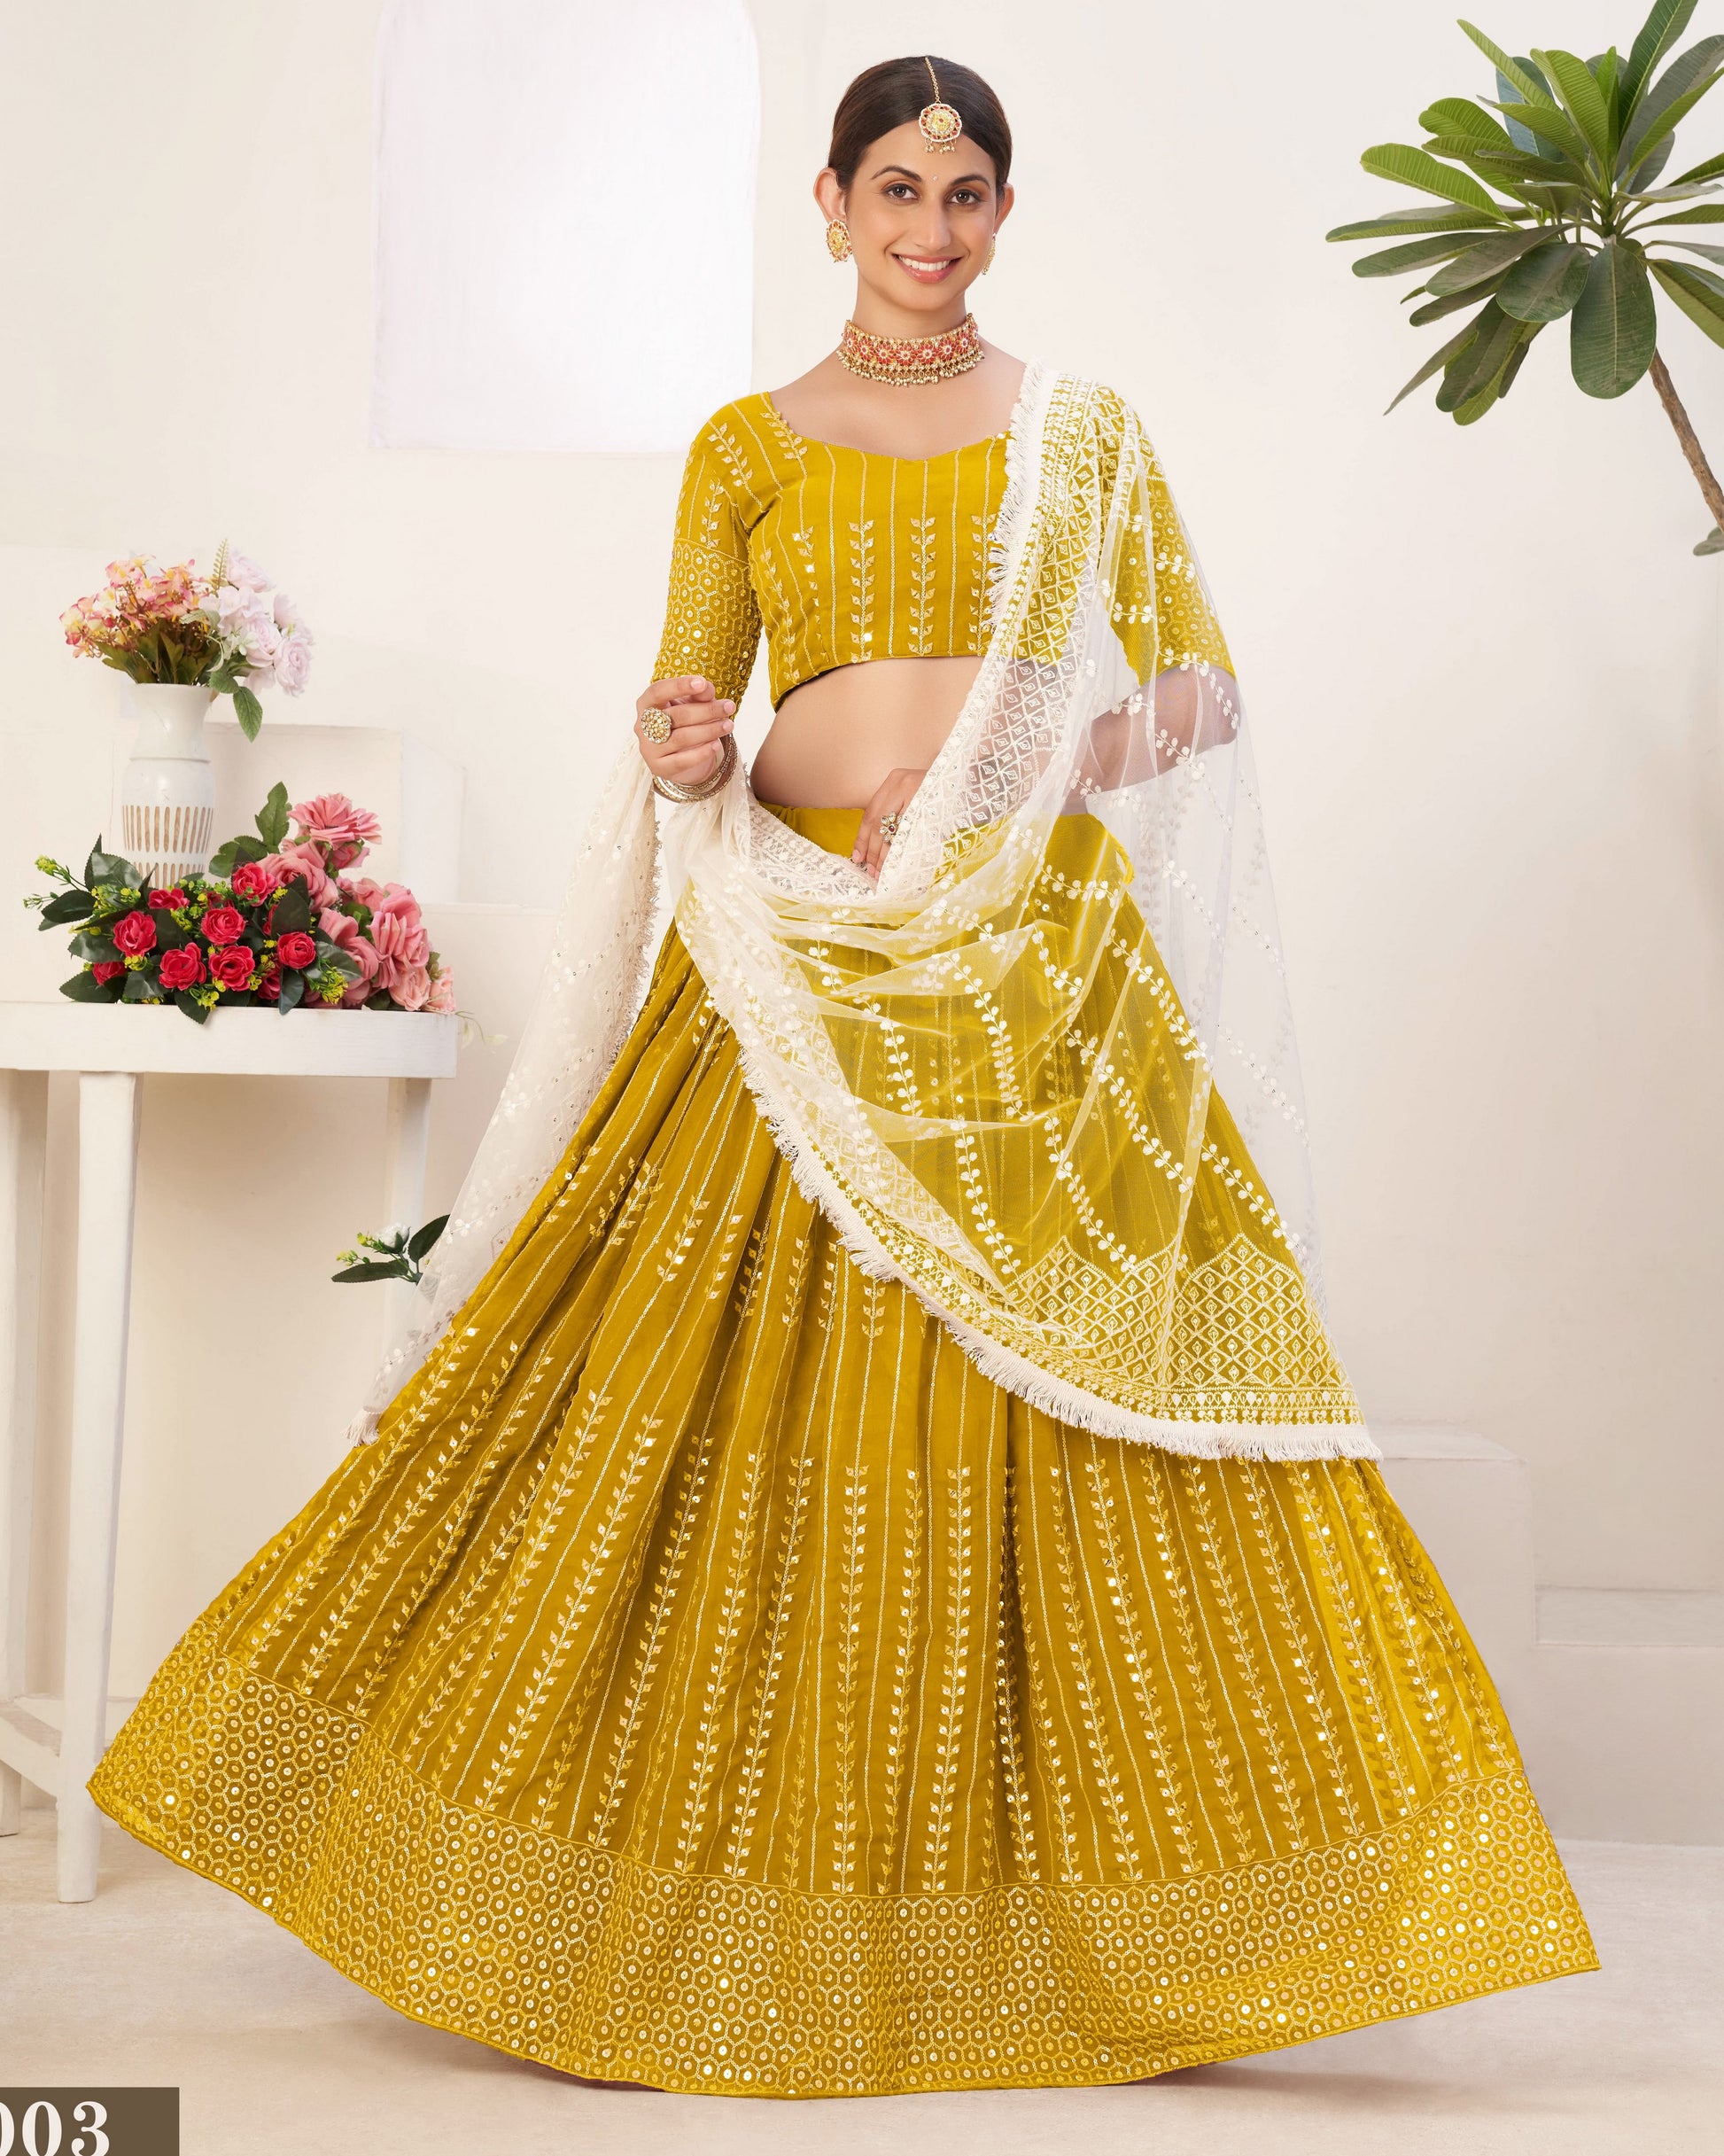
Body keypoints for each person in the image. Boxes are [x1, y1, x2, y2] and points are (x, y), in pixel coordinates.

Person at [89, 54, 1596, 2099]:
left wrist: (995, 786)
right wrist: (688, 748)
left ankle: (1137, 1922)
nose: (931, 228)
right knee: (653, 1395)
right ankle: (611, 1883)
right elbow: (692, 698)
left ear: (1001, 209)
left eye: (967, 192)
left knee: (1108, 1405)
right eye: (895, 187)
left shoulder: (1079, 433)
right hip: (787, 966)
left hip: (1019, 957)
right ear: (824, 201)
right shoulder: (743, 444)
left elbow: (1192, 687)